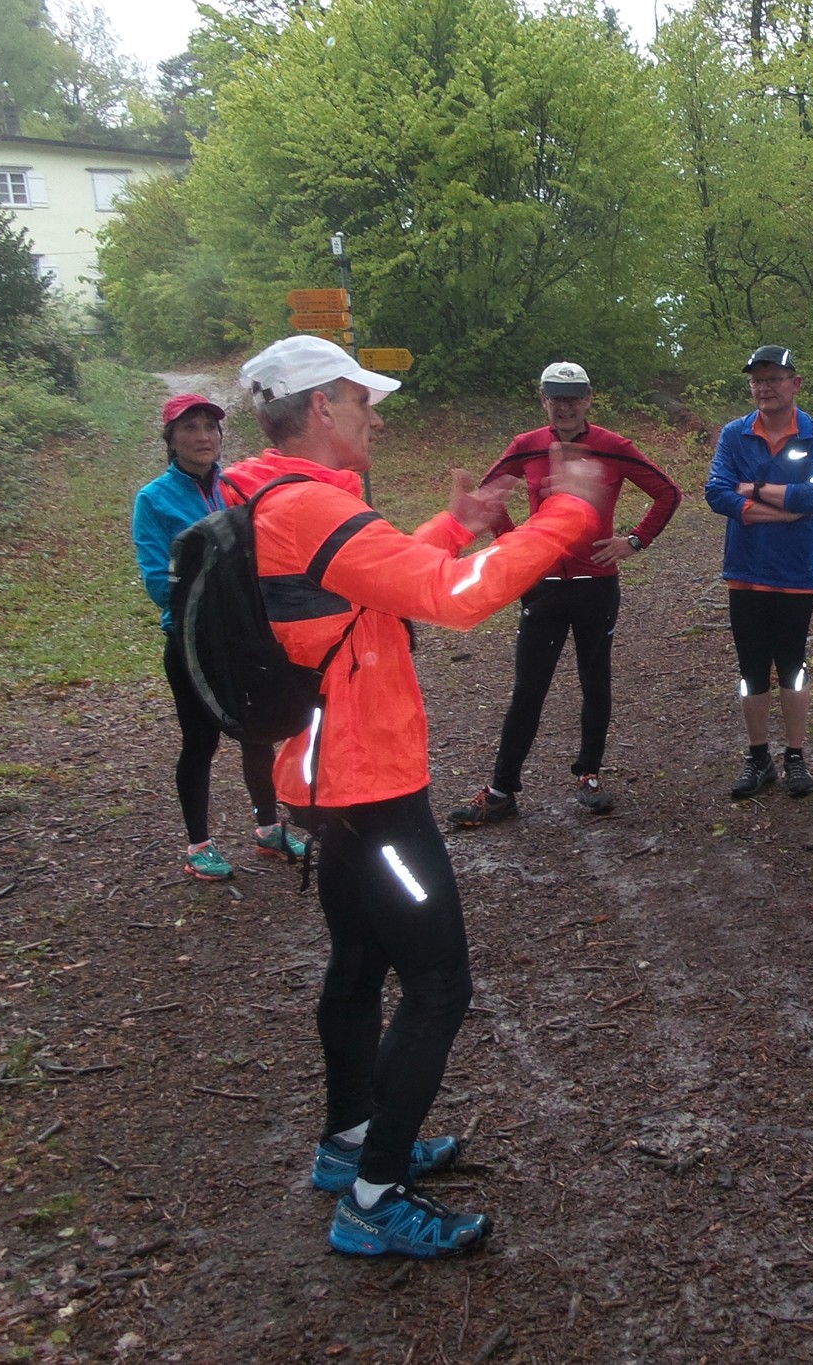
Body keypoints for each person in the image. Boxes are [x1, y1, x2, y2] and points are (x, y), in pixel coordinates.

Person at [222, 335, 608, 1258]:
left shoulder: (273, 496)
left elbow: (368, 587)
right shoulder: (308, 504)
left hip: (328, 776)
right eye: (363, 400)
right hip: (366, 785)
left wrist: (461, 525)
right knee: (439, 984)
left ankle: (350, 1139)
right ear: (322, 407)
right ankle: (372, 1194)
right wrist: (564, 518)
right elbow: (452, 601)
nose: (377, 415)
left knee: (358, 967)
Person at [448, 362, 682, 825]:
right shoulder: (527, 446)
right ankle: (501, 790)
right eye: (556, 397)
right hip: (544, 587)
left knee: (595, 679)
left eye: (573, 396)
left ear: (588, 399)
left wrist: (632, 542)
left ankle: (589, 776)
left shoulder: (613, 447)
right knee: (528, 689)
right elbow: (488, 499)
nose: (565, 405)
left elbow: (668, 493)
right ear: (543, 401)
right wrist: (517, 548)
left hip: (597, 584)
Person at [131, 393, 307, 880]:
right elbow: (155, 580)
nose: (204, 437)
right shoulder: (154, 499)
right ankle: (197, 845)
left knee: (260, 732)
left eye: (211, 427)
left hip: (248, 637)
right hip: (192, 642)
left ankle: (268, 829)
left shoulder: (237, 487)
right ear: (170, 438)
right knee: (199, 742)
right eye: (190, 428)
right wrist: (213, 603)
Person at [704, 344, 813, 799]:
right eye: (757, 380)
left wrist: (755, 489)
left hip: (797, 573)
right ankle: (758, 756)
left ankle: (795, 756)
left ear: (794, 384)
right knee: (751, 669)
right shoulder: (734, 434)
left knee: (793, 666)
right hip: (746, 570)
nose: (764, 387)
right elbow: (717, 493)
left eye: (774, 378)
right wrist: (779, 509)